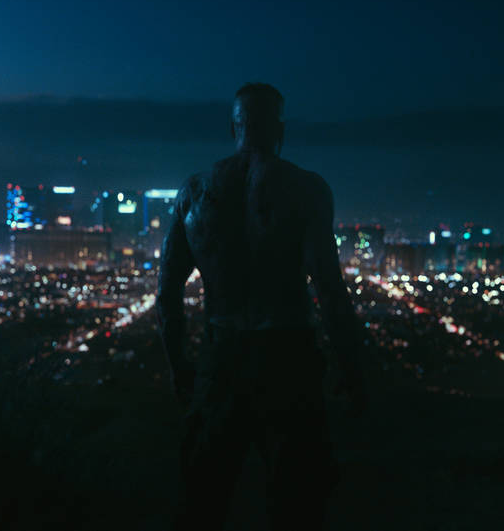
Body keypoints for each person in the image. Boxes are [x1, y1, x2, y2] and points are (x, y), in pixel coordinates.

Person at [157, 82, 367, 530]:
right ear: (279, 129)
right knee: (296, 507)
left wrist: (179, 365)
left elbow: (167, 291)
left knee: (204, 503)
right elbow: (329, 290)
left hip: (220, 358)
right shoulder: (306, 190)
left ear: (234, 126)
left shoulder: (194, 193)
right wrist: (352, 369)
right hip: (288, 358)